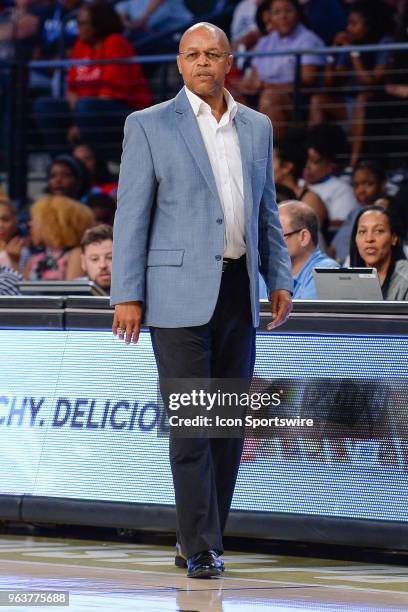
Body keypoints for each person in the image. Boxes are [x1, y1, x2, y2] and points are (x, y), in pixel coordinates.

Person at [111, 22, 293, 579]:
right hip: (175, 296)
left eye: (213, 54)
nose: (203, 63)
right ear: (180, 63)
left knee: (227, 427)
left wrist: (279, 274)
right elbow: (131, 215)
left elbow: (266, 208)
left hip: (240, 289)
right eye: (193, 55)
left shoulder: (257, 126)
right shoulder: (147, 125)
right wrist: (128, 294)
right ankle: (202, 548)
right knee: (192, 424)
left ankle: (197, 535)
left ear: (230, 61)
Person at [33, 2, 153, 159]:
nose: (78, 29)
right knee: (44, 106)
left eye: (82, 23)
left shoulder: (116, 43)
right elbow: (72, 90)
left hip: (128, 113)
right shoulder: (80, 45)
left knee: (86, 106)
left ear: (98, 24)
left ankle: (102, 163)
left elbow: (109, 94)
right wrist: (77, 119)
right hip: (86, 112)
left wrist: (79, 123)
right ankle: (65, 164)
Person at [308, 0, 394, 167]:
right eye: (349, 23)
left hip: (376, 103)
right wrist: (333, 52)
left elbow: (371, 82)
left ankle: (353, 163)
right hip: (349, 103)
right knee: (318, 100)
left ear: (369, 25)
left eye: (354, 24)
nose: (349, 28)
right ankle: (316, 161)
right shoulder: (350, 44)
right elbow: (330, 83)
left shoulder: (385, 42)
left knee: (362, 99)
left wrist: (353, 53)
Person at [239, 0, 324, 140]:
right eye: (277, 12)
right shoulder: (265, 42)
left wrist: (267, 87)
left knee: (270, 97)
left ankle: (276, 152)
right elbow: (253, 77)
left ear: (297, 13)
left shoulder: (308, 40)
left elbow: (308, 81)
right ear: (270, 17)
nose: (283, 16)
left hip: (296, 100)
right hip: (262, 94)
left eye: (288, 11)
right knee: (228, 97)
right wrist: (246, 84)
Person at [331, 161, 391, 262]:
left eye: (368, 184)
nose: (361, 190)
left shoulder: (390, 210)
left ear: (382, 184)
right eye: (356, 185)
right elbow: (333, 247)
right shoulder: (355, 211)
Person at [24, 195, 94, 280]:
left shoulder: (76, 254)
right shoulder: (33, 258)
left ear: (54, 225)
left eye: (35, 220)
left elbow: (73, 289)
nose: (30, 224)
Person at [279, 200, 339, 298]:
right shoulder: (267, 272)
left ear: (303, 237)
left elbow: (299, 313)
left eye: (277, 236)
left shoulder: (326, 272)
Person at [303, 124, 358, 229]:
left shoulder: (341, 189)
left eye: (315, 161)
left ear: (330, 164)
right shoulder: (297, 184)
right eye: (307, 160)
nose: (308, 166)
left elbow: (342, 225)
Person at [349, 205, 408, 300]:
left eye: (378, 231)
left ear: (394, 238)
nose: (369, 239)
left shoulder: (405, 277)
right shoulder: (347, 279)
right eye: (362, 231)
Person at [273, 129, 327, 225]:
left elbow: (309, 235)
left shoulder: (310, 200)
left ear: (287, 167)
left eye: (270, 162)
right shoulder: (265, 194)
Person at [79, 224, 112, 293]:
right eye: (94, 259)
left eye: (110, 257)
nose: (103, 265)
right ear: (83, 262)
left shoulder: (135, 293)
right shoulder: (73, 291)